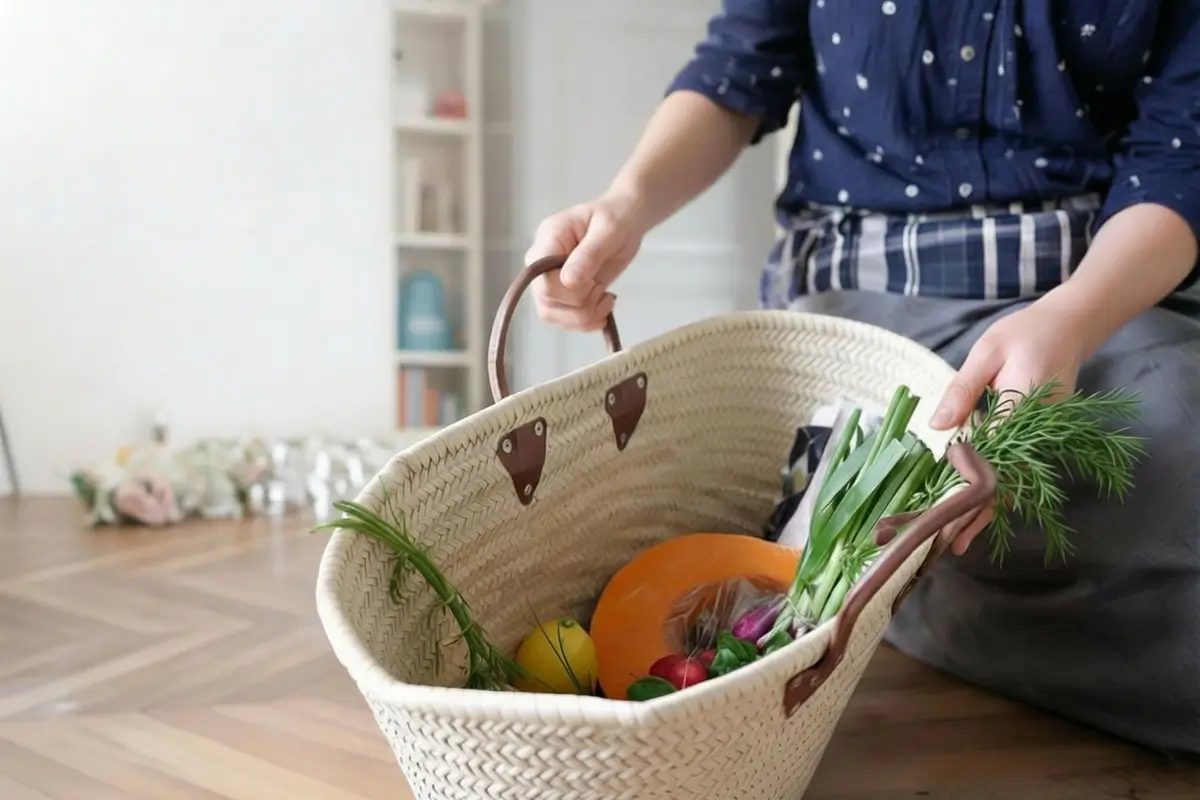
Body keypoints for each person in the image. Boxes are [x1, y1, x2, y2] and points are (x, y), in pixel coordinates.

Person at [524, 2, 1200, 755]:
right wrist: (625, 205)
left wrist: (1073, 316)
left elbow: (1180, 157)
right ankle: (891, 595)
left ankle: (885, 602)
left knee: (1180, 448)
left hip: (1099, 292)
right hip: (863, 300)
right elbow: (738, 68)